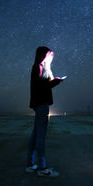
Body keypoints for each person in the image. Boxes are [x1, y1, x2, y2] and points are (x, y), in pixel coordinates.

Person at [25, 46, 64, 177]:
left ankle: (30, 165)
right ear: (42, 55)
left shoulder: (39, 67)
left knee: (35, 135)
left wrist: (53, 81)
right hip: (41, 104)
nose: (50, 58)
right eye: (48, 55)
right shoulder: (38, 67)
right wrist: (56, 82)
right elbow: (41, 87)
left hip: (39, 104)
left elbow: (41, 85)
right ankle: (43, 168)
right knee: (40, 136)